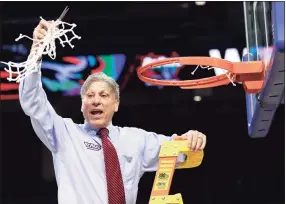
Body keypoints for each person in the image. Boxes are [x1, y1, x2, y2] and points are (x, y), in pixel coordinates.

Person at [19, 20, 207, 204]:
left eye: (103, 95)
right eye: (90, 96)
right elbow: (32, 101)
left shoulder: (136, 139)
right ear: (82, 104)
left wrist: (192, 138)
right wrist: (36, 50)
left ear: (116, 103)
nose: (96, 101)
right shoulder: (64, 133)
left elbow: (178, 149)